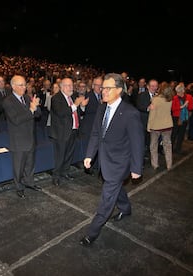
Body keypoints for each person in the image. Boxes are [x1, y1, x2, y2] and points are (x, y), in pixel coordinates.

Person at [80, 73, 144, 246]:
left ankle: (92, 233)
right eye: (102, 88)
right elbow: (96, 133)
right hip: (104, 161)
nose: (103, 91)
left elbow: (137, 143)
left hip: (119, 163)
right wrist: (89, 155)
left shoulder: (130, 113)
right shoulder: (102, 108)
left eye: (107, 88)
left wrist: (137, 168)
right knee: (115, 189)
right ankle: (126, 208)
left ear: (119, 90)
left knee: (107, 199)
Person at [2, 75, 42, 198]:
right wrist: (31, 110)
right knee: (19, 167)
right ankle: (19, 186)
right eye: (21, 85)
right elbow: (16, 120)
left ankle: (29, 182)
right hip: (18, 140)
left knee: (30, 164)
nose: (24, 87)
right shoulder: (8, 101)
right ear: (13, 86)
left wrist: (35, 107)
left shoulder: (26, 97)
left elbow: (38, 114)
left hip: (30, 137)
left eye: (25, 85)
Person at [49, 77, 88, 186]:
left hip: (73, 130)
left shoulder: (73, 97)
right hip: (61, 133)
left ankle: (65, 172)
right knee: (60, 156)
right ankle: (56, 176)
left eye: (72, 85)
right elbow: (61, 112)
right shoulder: (56, 98)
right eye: (68, 85)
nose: (71, 88)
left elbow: (78, 112)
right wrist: (75, 105)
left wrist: (82, 107)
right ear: (62, 87)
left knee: (69, 154)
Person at [147, 86, 174, 170]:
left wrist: (149, 126)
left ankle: (155, 164)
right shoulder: (170, 100)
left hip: (156, 126)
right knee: (168, 145)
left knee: (153, 146)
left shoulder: (155, 99)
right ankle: (169, 164)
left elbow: (152, 115)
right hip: (168, 125)